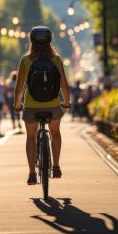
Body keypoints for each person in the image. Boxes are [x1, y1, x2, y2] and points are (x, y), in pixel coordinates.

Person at [14, 26, 71, 185]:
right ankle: (56, 166)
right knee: (56, 133)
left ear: (31, 40)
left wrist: (17, 104)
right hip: (52, 106)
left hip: (31, 106)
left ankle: (32, 173)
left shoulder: (26, 60)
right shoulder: (56, 59)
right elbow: (64, 85)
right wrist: (66, 102)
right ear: (50, 41)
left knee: (31, 137)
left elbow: (19, 87)